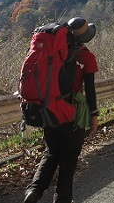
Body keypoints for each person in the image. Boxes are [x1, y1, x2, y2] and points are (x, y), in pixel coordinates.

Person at [24, 17, 99, 203]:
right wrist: (94, 115)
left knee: (51, 152)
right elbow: (90, 89)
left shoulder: (54, 54)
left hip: (49, 110)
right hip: (71, 114)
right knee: (69, 158)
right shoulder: (87, 56)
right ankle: (63, 199)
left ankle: (34, 191)